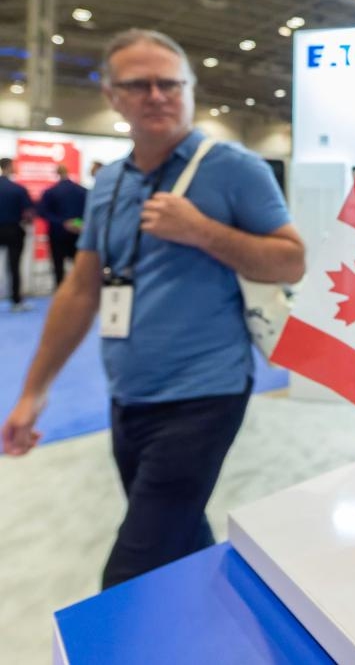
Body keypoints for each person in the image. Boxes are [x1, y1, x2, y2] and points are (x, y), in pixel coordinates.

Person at [0, 29, 305, 589]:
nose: (157, 95)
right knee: (180, 537)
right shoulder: (111, 183)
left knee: (130, 571)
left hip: (205, 392)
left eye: (170, 83)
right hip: (129, 394)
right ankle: (216, 622)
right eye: (138, 85)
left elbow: (291, 261)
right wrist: (33, 392)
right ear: (112, 95)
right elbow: (81, 290)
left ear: (189, 89)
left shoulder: (234, 168)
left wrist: (203, 231)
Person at [39, 164, 87, 286]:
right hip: (78, 232)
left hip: (57, 233)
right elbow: (88, 212)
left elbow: (43, 212)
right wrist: (76, 223)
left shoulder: (50, 192)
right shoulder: (82, 191)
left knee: (58, 265)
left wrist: (63, 223)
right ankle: (78, 289)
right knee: (79, 265)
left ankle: (60, 290)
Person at [0, 157, 34, 312]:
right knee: (14, 266)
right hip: (14, 230)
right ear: (9, 166)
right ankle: (16, 301)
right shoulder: (18, 189)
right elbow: (29, 213)